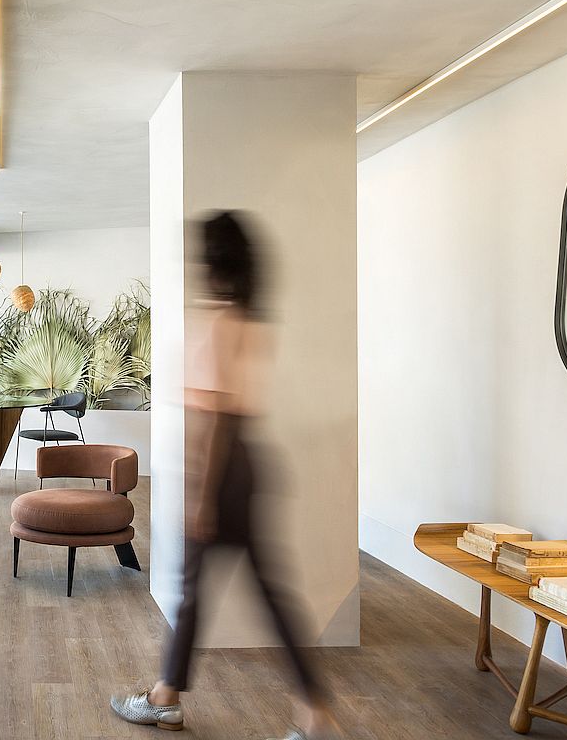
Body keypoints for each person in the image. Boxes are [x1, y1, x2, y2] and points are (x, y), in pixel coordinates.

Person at [110, 211, 333, 739]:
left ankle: (168, 699)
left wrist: (202, 498)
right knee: (252, 593)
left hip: (222, 472)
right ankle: (310, 711)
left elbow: (218, 421)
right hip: (248, 467)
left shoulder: (219, 325)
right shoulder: (250, 319)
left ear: (213, 261)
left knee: (200, 591)